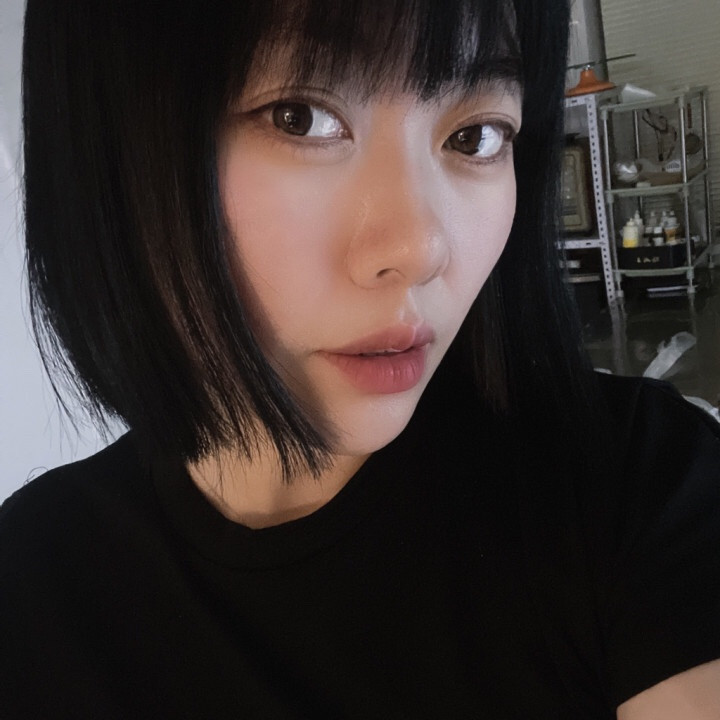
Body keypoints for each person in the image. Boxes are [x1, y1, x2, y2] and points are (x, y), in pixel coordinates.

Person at [1, 0, 719, 717]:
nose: (421, 249)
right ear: (112, 144)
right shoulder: (34, 584)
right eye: (301, 118)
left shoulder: (639, 484)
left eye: (475, 135)